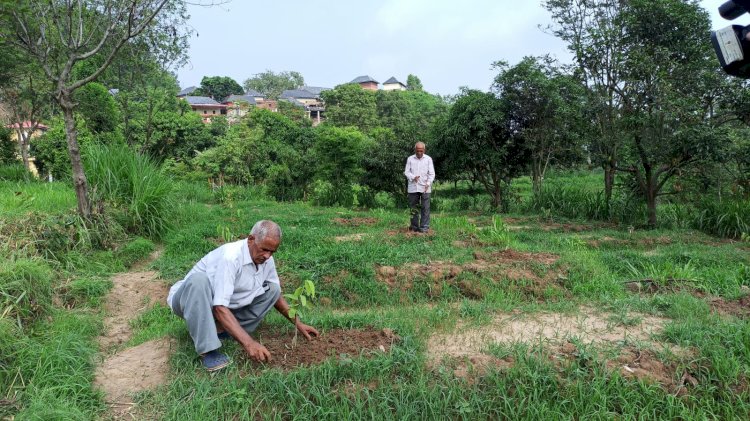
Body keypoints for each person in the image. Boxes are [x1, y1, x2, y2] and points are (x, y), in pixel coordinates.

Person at [166, 220, 319, 371]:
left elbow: (276, 295)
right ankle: (208, 351)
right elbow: (219, 307)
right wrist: (249, 343)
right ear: (251, 239)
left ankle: (222, 331)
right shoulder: (231, 257)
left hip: (223, 303)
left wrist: (298, 323)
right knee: (199, 280)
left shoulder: (266, 260)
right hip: (190, 299)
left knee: (272, 289)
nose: (267, 256)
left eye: (272, 252)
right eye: (264, 249)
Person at [404, 142, 435, 233]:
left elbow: (431, 173)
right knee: (413, 208)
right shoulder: (410, 159)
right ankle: (414, 227)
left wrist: (428, 183)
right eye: (417, 151)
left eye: (421, 151)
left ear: (424, 150)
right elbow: (406, 172)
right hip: (413, 187)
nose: (419, 153)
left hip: (425, 187)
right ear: (415, 150)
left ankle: (424, 228)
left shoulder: (428, 159)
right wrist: (413, 177)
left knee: (425, 208)